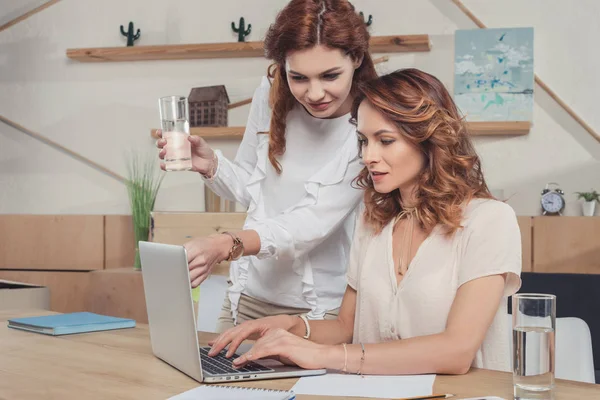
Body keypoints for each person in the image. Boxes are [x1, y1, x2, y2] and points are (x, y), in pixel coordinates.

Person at [208, 69, 523, 374]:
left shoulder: (490, 221)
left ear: (428, 140)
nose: (369, 155)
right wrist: (293, 326)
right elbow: (346, 327)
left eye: (385, 141)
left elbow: (457, 351)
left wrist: (323, 355)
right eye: (363, 140)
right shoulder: (374, 222)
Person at [156, 0, 378, 332]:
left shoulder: (370, 118)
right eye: (299, 77)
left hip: (318, 310)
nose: (314, 93)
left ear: (356, 59)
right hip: (247, 294)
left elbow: (311, 223)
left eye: (330, 75)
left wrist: (226, 243)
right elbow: (252, 190)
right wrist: (212, 165)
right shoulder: (272, 93)